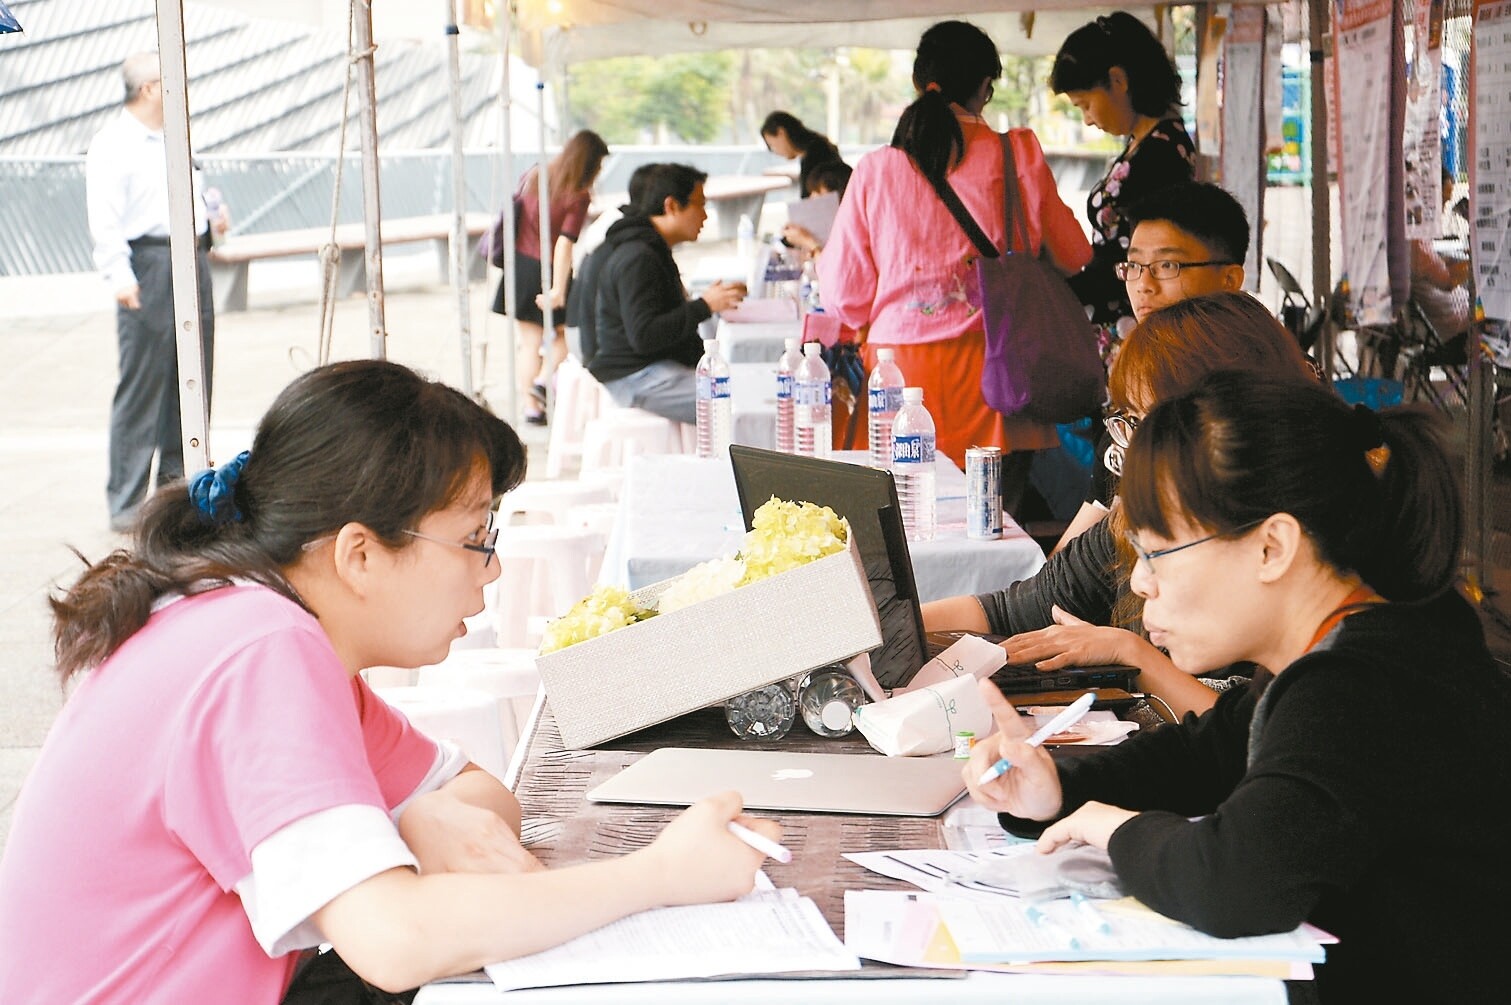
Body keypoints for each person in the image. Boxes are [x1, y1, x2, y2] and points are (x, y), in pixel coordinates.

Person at [0, 360, 776, 1002]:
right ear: (359, 554)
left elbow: (482, 790)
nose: (493, 568)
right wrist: (661, 874)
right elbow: (396, 941)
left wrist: (414, 818)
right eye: (475, 538)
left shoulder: (246, 619)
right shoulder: (259, 651)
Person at [963, 373, 1510, 1001]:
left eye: (1157, 552)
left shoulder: (1366, 680)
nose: (1140, 583)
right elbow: (1207, 753)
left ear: (1272, 547)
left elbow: (1234, 882)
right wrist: (1057, 788)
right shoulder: (1354, 639)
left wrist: (1112, 830)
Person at [922, 293, 1318, 720]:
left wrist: (1133, 656)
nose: (1144, 583)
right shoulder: (1132, 521)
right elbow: (1008, 610)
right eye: (1129, 422)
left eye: (1150, 424)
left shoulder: (1295, 562)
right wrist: (881, 630)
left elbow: (1254, 738)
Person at [818, 20, 1091, 496]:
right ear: (985, 88)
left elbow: (845, 296)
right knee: (994, 531)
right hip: (1002, 374)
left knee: (905, 526)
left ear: (921, 85)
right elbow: (1074, 255)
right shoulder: (1018, 154)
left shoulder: (876, 169)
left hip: (897, 377)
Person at [1052, 181, 1250, 553]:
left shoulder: (1259, 388)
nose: (1143, 285)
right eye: (1135, 266)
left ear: (1229, 280)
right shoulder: (1139, 384)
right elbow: (1087, 525)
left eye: (1167, 265)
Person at [87, 51, 228, 533]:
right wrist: (119, 277)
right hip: (147, 264)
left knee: (191, 380)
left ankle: (174, 491)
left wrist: (212, 219)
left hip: (193, 257)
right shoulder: (114, 143)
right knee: (143, 383)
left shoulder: (175, 138)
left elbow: (197, 192)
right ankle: (125, 503)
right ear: (150, 88)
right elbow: (104, 218)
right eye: (173, 82)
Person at [1052, 12, 1195, 354]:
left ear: (1118, 80)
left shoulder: (1159, 153)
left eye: (1086, 104)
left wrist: (1059, 288)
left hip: (1137, 328)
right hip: (1124, 322)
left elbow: (1140, 253)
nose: (1087, 119)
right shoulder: (1146, 144)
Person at [586, 163, 745, 424]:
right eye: (700, 205)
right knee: (735, 403)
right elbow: (645, 336)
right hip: (635, 375)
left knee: (745, 388)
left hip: (652, 367)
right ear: (671, 206)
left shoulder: (650, 247)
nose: (705, 216)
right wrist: (704, 306)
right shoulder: (638, 257)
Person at [489, 129, 610, 425]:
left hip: (518, 265)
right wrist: (558, 287)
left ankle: (532, 408)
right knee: (568, 334)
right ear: (590, 163)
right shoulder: (578, 195)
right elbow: (565, 243)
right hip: (547, 270)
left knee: (529, 342)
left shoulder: (536, 175)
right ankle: (543, 381)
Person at [760, 111, 846, 198]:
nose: (775, 152)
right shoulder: (818, 147)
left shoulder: (815, 155)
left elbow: (809, 202)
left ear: (781, 133)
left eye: (772, 145)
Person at [780, 160, 853, 260]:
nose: (811, 202)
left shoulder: (852, 236)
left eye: (819, 198)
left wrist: (809, 243)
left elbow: (833, 272)